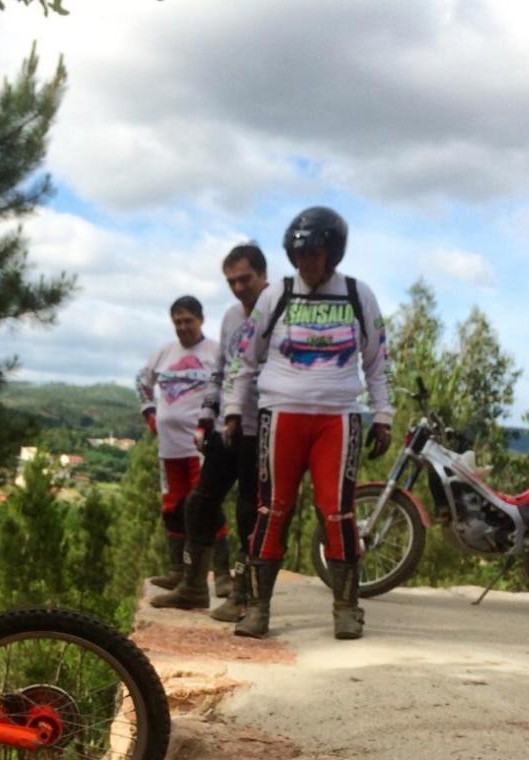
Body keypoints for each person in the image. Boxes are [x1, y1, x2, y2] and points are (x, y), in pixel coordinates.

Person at [222, 206, 393, 640]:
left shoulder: (359, 294)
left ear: (333, 253)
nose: (307, 264)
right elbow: (245, 358)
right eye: (299, 256)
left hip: (337, 419)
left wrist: (384, 415)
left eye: (315, 255)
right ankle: (258, 608)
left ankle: (346, 608)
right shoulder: (275, 294)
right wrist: (232, 410)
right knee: (272, 509)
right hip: (281, 414)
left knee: (337, 513)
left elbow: (376, 362)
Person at [151, 243, 270, 616]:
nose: (237, 288)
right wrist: (207, 417)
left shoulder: (279, 310)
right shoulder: (232, 317)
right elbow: (223, 368)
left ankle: (244, 594)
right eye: (231, 281)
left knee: (250, 511)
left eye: (244, 279)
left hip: (263, 424)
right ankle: (192, 587)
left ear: (262, 275)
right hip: (226, 426)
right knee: (199, 503)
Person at [136, 296, 230, 594]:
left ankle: (223, 574)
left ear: (201, 320)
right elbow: (141, 380)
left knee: (204, 507)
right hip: (169, 449)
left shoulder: (215, 352)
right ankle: (178, 570)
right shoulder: (164, 352)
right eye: (177, 322)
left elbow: (230, 387)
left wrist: (221, 422)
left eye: (188, 320)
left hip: (201, 447)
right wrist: (149, 411)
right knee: (173, 509)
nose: (183, 327)